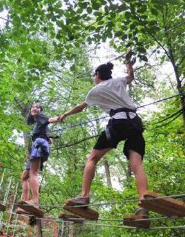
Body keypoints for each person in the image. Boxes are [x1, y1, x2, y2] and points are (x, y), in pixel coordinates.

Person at [58, 50, 149, 217]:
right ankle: (144, 204)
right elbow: (130, 75)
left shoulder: (96, 90)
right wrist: (128, 61)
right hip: (135, 122)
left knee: (92, 158)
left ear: (98, 74)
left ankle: (84, 196)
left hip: (118, 122)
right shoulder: (119, 81)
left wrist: (64, 115)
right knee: (137, 164)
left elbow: (80, 107)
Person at [20, 103, 60, 209]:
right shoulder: (39, 123)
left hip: (39, 144)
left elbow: (50, 119)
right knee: (24, 177)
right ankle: (26, 201)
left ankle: (35, 201)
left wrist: (59, 118)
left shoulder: (42, 117)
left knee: (33, 173)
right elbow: (51, 142)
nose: (35, 108)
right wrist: (48, 136)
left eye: (37, 107)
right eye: (33, 107)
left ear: (40, 110)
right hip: (39, 145)